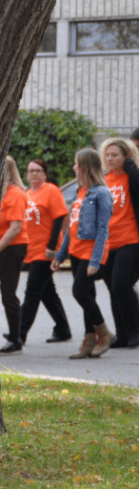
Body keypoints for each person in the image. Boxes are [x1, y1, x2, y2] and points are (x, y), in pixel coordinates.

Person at [52, 148, 115, 359]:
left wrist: (95, 261)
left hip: (91, 253)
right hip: (76, 252)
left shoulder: (102, 193)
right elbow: (72, 228)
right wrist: (60, 256)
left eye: (77, 164)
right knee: (88, 295)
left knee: (79, 292)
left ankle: (104, 333)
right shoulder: (80, 191)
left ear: (86, 167)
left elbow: (103, 229)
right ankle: (89, 340)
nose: (74, 167)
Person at [18, 159, 72, 345]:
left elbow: (59, 218)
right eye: (30, 170)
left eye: (38, 170)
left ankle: (19, 333)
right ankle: (63, 329)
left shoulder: (51, 190)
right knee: (47, 292)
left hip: (46, 250)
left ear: (45, 174)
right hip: (31, 250)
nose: (34, 174)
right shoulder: (28, 194)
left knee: (32, 292)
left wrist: (52, 246)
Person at [99, 138, 139, 348]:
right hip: (108, 243)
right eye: (107, 155)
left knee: (121, 284)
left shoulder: (131, 177)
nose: (110, 158)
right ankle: (123, 335)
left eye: (115, 155)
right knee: (114, 290)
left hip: (130, 239)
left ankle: (135, 331)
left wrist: (130, 163)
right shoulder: (104, 180)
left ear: (126, 156)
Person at [0, 156, 30, 355]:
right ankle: (12, 334)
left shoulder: (16, 193)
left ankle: (15, 339)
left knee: (8, 293)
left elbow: (15, 228)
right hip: (2, 245)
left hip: (12, 246)